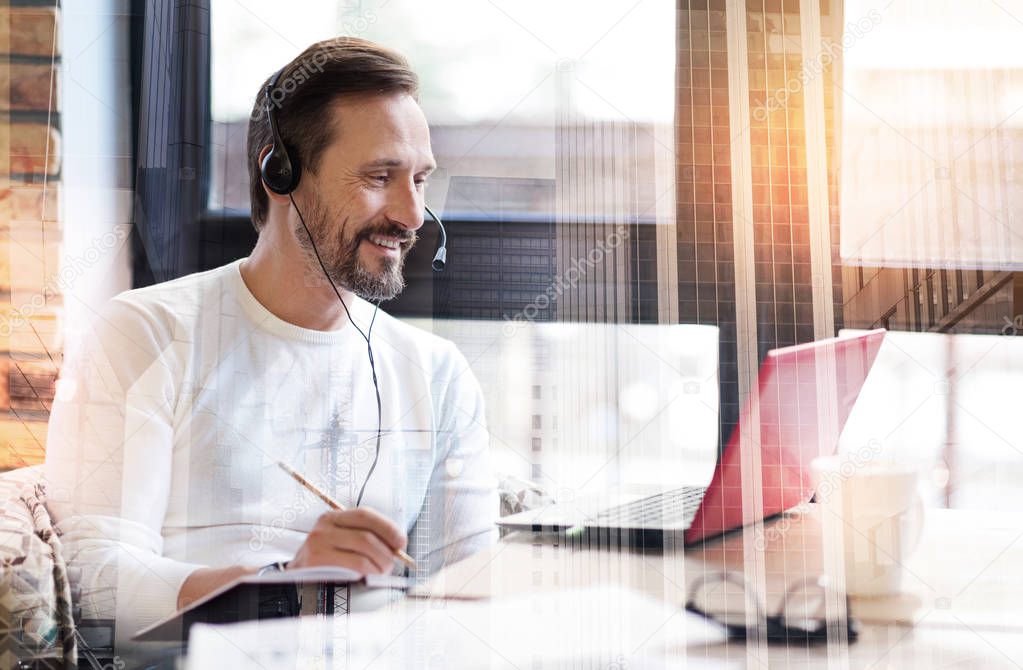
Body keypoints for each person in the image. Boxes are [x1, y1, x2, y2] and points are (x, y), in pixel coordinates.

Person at [43, 37, 496, 649]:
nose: (413, 215)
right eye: (379, 177)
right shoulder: (145, 333)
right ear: (278, 172)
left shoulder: (437, 374)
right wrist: (282, 588)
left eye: (419, 180)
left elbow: (470, 595)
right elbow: (94, 589)